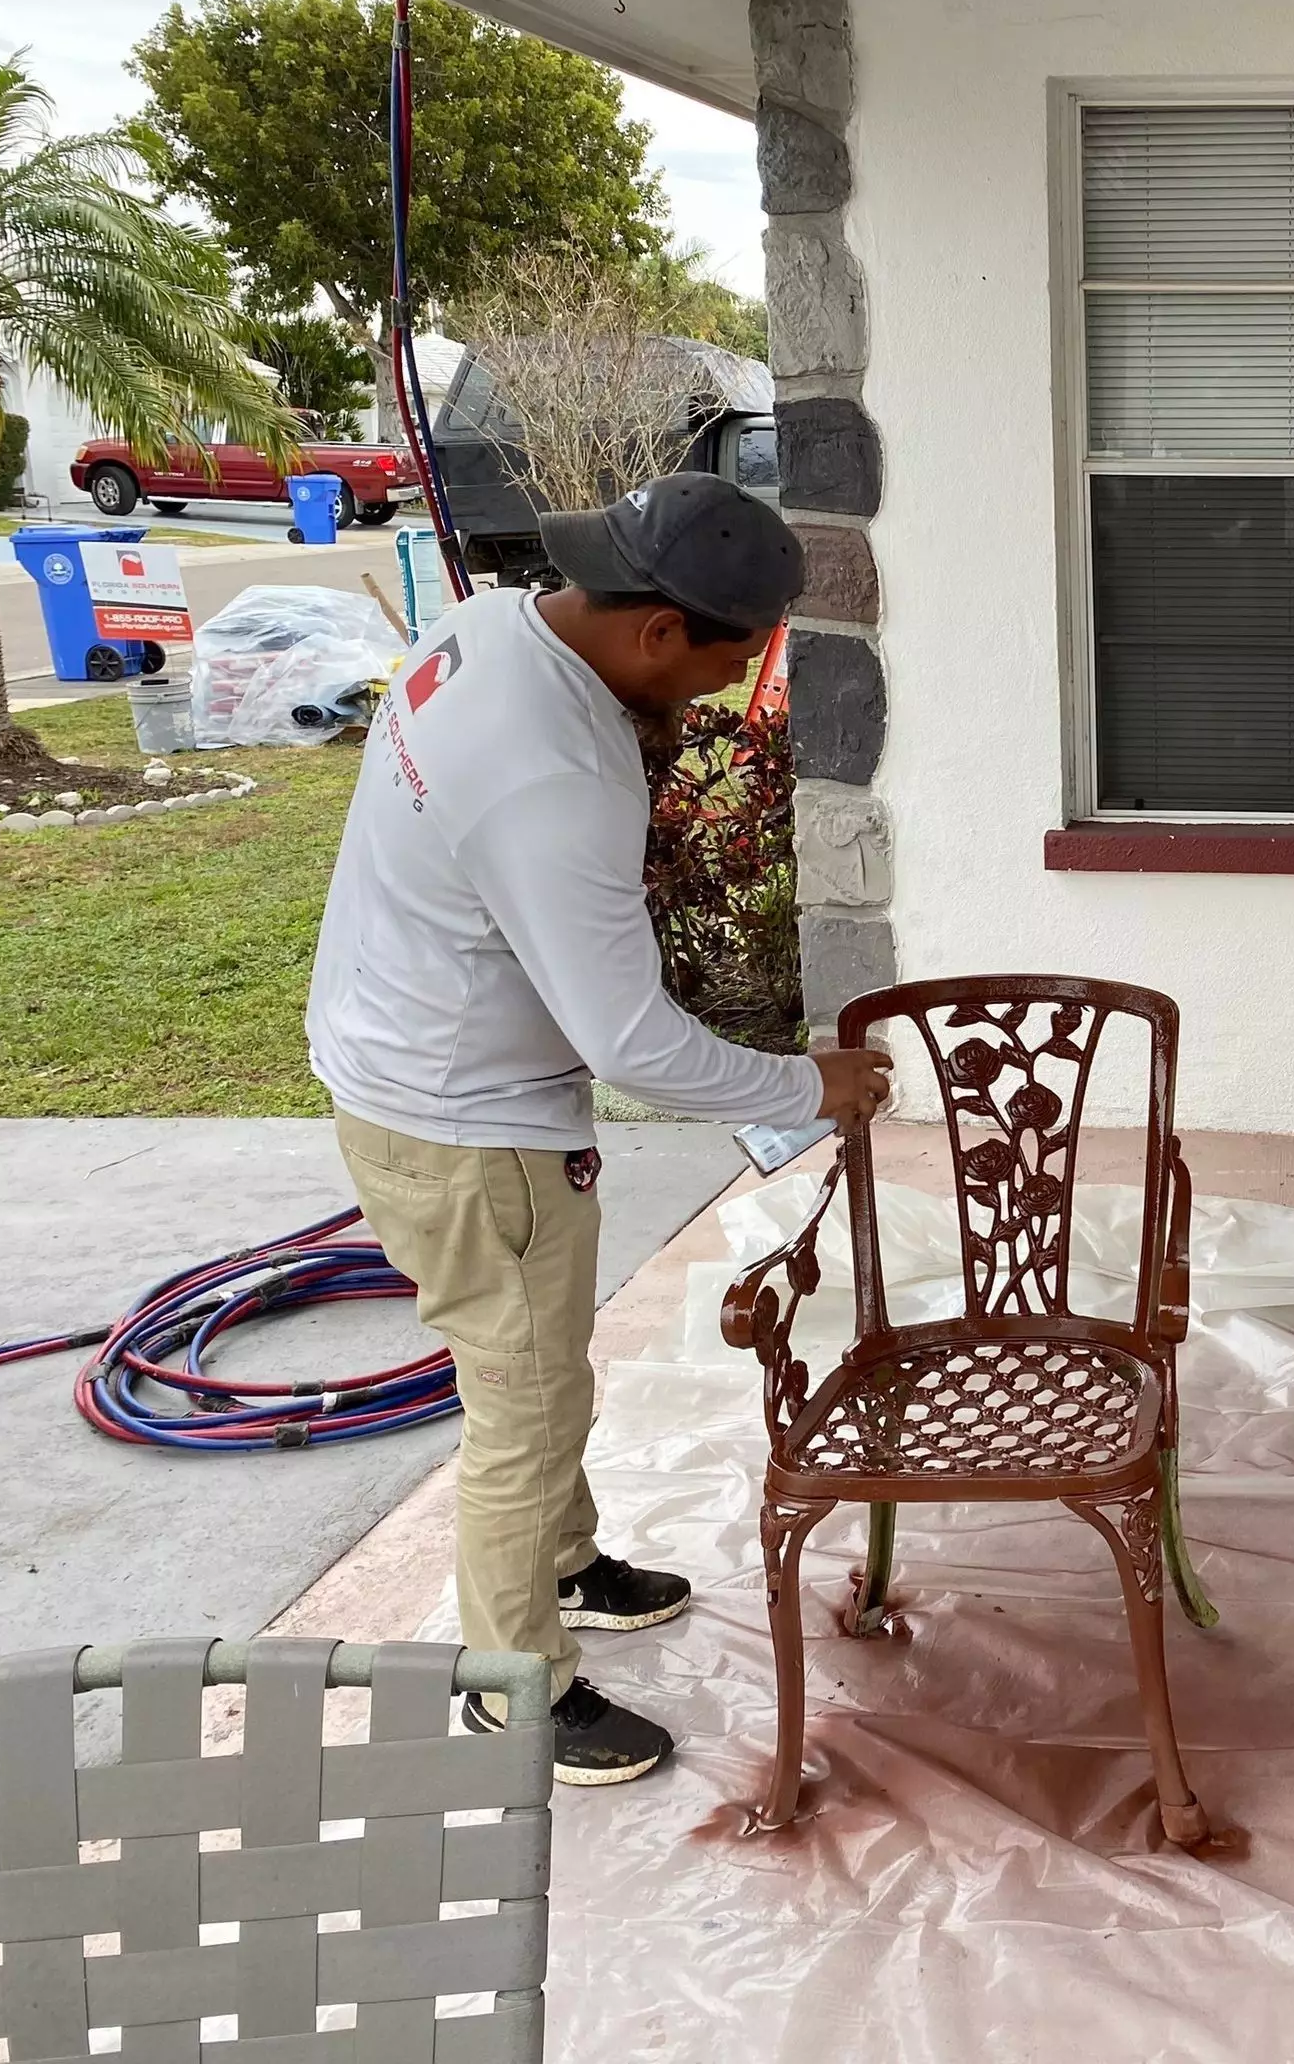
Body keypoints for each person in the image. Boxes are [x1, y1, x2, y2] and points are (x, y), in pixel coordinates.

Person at [308, 473, 892, 1782]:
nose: (730, 695)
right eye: (733, 666)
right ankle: (517, 1692)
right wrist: (812, 1088)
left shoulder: (487, 628)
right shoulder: (557, 775)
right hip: (469, 1130)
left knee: (541, 1371)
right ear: (659, 632)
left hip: (409, 1066)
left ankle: (565, 1566)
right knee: (522, 1408)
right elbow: (630, 1045)